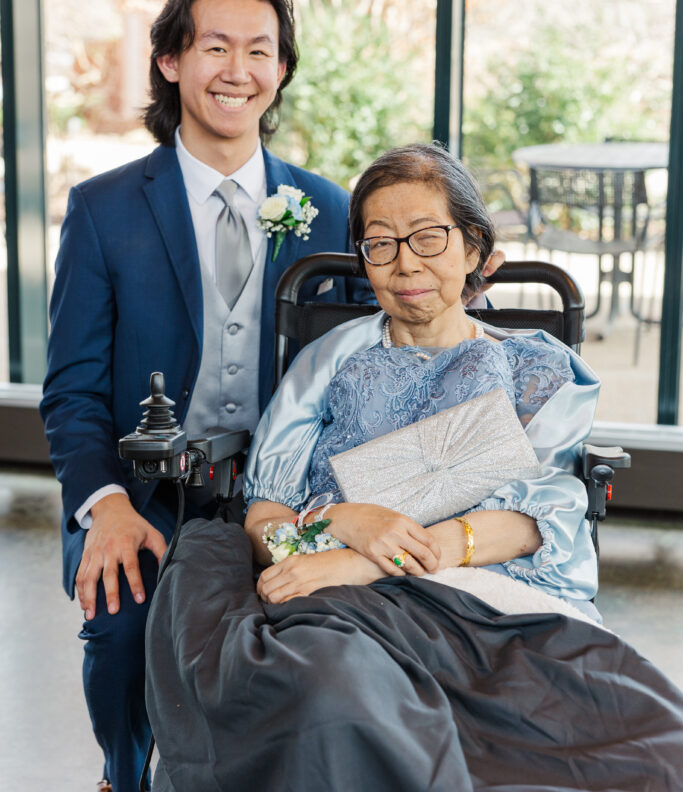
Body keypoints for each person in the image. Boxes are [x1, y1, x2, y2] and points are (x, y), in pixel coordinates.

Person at [144, 143, 683, 791]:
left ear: (475, 249)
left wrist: (377, 556)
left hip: (485, 595)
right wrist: (345, 520)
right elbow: (264, 515)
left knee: (646, 750)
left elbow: (532, 524)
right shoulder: (328, 360)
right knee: (333, 696)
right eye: (379, 243)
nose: (404, 264)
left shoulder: (536, 368)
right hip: (328, 596)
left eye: (428, 238)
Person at [40, 0, 374, 792]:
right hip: (142, 490)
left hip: (286, 491)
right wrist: (106, 506)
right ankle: (124, 777)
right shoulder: (104, 208)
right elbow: (71, 391)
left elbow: (370, 362)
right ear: (171, 62)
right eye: (214, 46)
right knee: (123, 631)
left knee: (328, 639)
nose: (237, 70)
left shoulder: (329, 208)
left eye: (258, 51)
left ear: (282, 70)